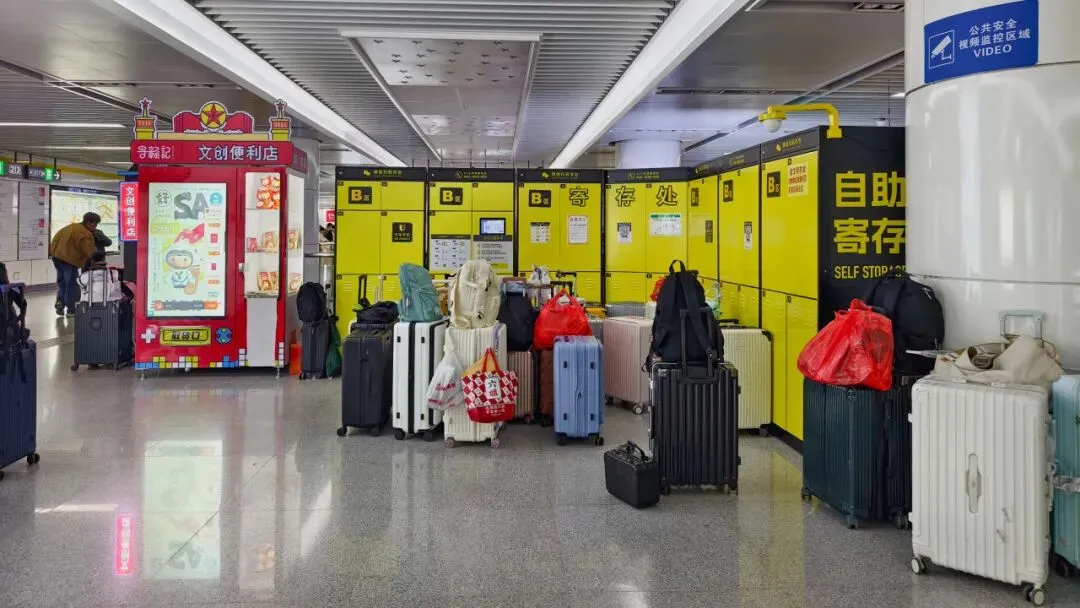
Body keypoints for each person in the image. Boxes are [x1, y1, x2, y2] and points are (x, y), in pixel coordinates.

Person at [50, 212, 99, 316]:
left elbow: (55, 240)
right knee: (72, 284)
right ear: (88, 222)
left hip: (56, 257)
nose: (95, 227)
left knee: (62, 283)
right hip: (69, 260)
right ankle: (72, 309)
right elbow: (89, 252)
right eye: (95, 224)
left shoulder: (70, 227)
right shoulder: (86, 233)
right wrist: (95, 254)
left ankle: (60, 302)